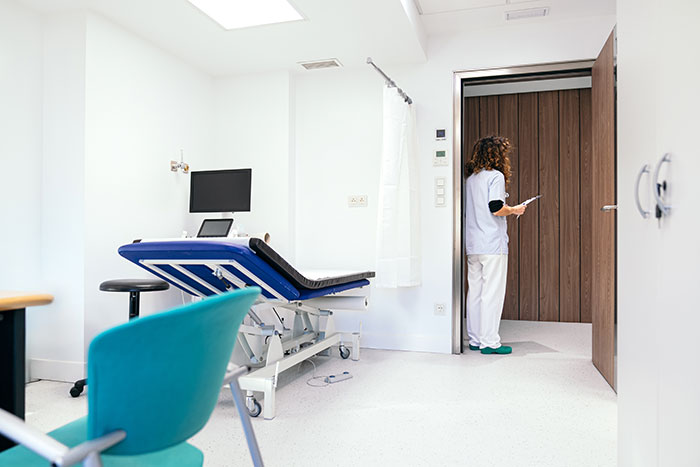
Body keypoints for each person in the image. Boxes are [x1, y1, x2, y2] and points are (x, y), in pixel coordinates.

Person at [464, 136, 526, 355]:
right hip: (492, 244)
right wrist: (515, 209)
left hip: (473, 245)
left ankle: (475, 339)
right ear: (497, 155)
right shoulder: (496, 177)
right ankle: (490, 342)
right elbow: (496, 207)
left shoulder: (471, 179)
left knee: (476, 293)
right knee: (492, 293)